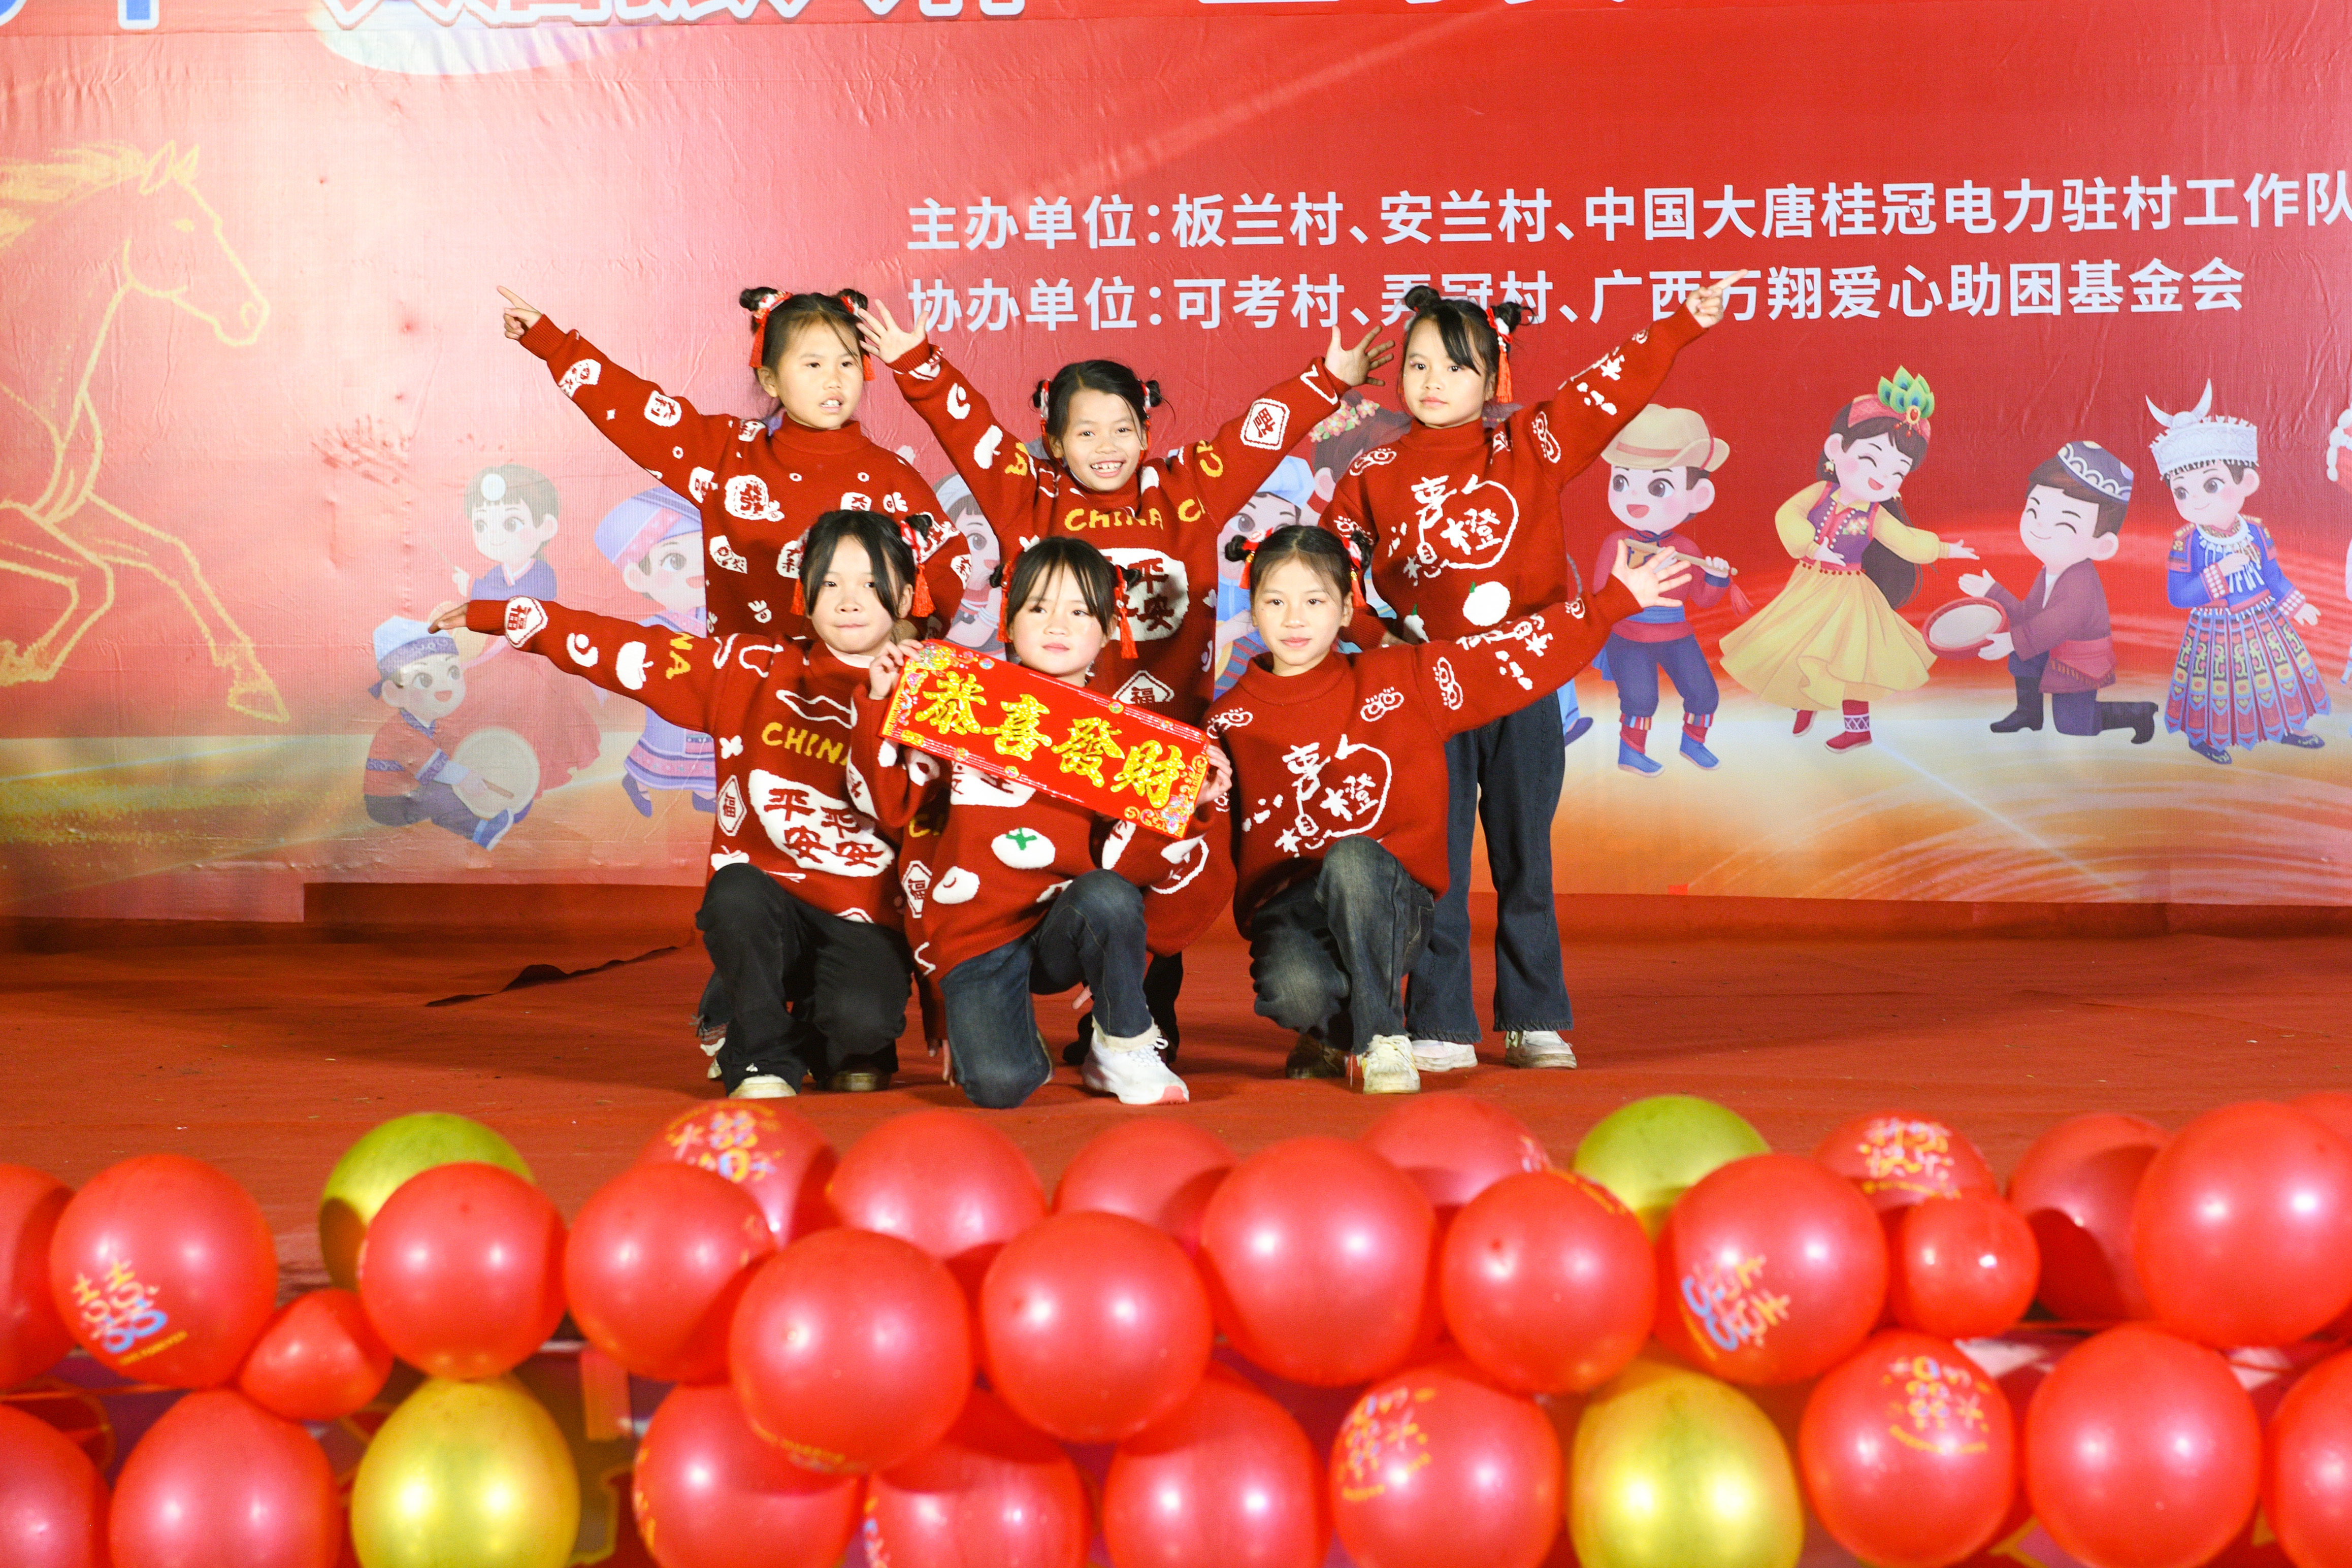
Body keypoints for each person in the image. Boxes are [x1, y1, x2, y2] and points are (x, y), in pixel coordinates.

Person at [854, 297, 1377, 1061]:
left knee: (1147, 884)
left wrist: (1326, 379)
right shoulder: (1030, 499)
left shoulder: (1187, 493)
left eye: (1123, 429)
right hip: (1052, 746)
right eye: (1086, 432)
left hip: (1153, 746)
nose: (1107, 447)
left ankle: (1137, 1026)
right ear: (1053, 440)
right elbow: (972, 434)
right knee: (1049, 874)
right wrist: (918, 364)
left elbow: (1256, 434)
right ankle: (1007, 999)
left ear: (1147, 432)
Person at [1319, 275, 1740, 1076]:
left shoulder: (1531, 443)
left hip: (1526, 681)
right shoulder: (1372, 469)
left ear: (1492, 379)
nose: (1433, 381)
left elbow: (1610, 386)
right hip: (1430, 691)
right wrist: (1380, 636)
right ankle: (1440, 1022)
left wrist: (1681, 325)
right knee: (1435, 862)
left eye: (1456, 366)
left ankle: (1534, 1016)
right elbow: (1329, 566)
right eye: (1418, 364)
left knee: (1525, 858)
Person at [434, 511, 927, 1098]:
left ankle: (823, 1025)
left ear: (905, 595)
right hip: (768, 896)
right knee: (735, 896)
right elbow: (631, 650)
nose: (849, 600)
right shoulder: (750, 670)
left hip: (866, 906)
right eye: (830, 582)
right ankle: (759, 1051)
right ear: (804, 594)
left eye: (871, 583)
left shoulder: (935, 691)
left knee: (859, 1031)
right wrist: (510, 616)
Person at [1206, 524, 1688, 1094]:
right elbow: (1197, 846)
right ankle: (1333, 1029)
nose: (1294, 619)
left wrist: (1611, 603)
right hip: (1294, 910)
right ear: (1252, 609)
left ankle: (1383, 1037)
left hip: (1385, 899)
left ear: (1346, 611)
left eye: (1314, 602)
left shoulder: (1399, 677)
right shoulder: (1227, 721)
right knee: (1292, 991)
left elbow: (1503, 657)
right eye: (1275, 602)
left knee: (1355, 860)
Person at [852, 537, 1232, 1110]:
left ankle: (1121, 1045)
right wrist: (882, 701)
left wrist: (1187, 800)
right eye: (1038, 608)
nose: (1057, 625)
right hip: (977, 928)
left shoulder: (1123, 735)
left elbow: (1125, 870)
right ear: (1009, 620)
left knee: (1109, 896)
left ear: (1110, 628)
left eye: (1079, 611)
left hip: (1065, 921)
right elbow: (891, 805)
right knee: (1001, 1085)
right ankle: (1004, 1034)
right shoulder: (962, 697)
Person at [495, 284, 965, 643]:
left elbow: (947, 560)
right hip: (753, 697)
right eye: (813, 365)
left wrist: (907, 630)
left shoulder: (891, 475)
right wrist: (554, 344)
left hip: (864, 700)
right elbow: (638, 411)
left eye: (847, 364)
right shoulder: (728, 454)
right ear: (770, 379)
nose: (834, 381)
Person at [1718, 369, 1979, 752]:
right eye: (1870, 459)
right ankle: (1806, 701)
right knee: (1797, 646)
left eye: (1897, 472)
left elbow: (1906, 542)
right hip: (1808, 585)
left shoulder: (1876, 516)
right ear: (1837, 449)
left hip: (1849, 596)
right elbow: (1787, 515)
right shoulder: (1821, 492)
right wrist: (1810, 546)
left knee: (1851, 660)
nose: (1881, 477)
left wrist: (1945, 549)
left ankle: (1858, 729)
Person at [2146, 384, 2330, 761]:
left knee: (2277, 675)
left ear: (2246, 483)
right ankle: (2206, 738)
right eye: (2181, 492)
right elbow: (2178, 596)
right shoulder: (2187, 543)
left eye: (2211, 485)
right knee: (2217, 686)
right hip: (2213, 627)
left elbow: (2274, 576)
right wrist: (2220, 572)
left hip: (2264, 618)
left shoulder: (2257, 532)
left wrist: (2298, 605)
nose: (2196, 499)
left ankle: (2285, 725)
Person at [1958, 442, 2155, 743]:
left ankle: (2138, 712)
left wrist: (2014, 640)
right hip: (2051, 646)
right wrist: (1993, 591)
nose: (2039, 526)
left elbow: (2055, 624)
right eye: (2033, 510)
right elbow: (2030, 615)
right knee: (2023, 648)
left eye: (2064, 523)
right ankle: (2029, 713)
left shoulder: (2080, 582)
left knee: (2073, 724)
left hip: (2077, 658)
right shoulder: (2051, 570)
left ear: (2102, 546)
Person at [1591, 405, 1738, 774]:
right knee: (1640, 699)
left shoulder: (1686, 548)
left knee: (1704, 693)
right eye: (1621, 482)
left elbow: (1702, 600)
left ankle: (1694, 743)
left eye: (1658, 487)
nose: (1635, 498)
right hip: (1629, 633)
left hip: (1676, 632)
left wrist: (1716, 578)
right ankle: (1631, 752)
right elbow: (1598, 594)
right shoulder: (1617, 543)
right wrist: (1625, 592)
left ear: (1699, 496)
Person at [594, 485, 718, 815]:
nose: (696, 572)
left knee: (710, 750)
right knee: (663, 745)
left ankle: (706, 794)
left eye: (703, 554)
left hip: (708, 699)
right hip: (670, 701)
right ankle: (636, 780)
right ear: (638, 578)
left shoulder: (716, 618)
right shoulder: (653, 627)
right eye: (675, 560)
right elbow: (619, 653)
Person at [362, 616, 518, 849]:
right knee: (442, 793)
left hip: (411, 790)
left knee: (447, 787)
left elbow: (451, 752)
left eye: (453, 673)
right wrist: (464, 777)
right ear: (394, 694)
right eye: (424, 680)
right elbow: (438, 768)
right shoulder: (400, 733)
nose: (445, 687)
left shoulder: (432, 724)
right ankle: (480, 832)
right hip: (389, 803)